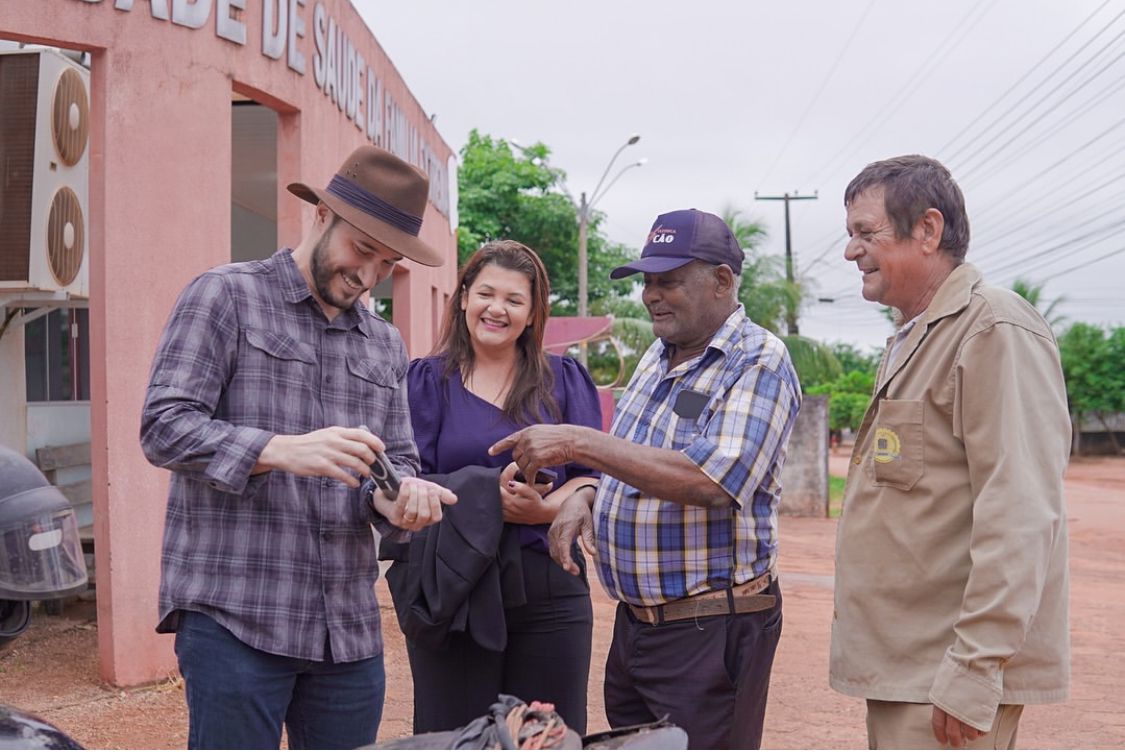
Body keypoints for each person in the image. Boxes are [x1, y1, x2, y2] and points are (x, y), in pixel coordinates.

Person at [140, 145, 457, 750]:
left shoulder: (384, 343)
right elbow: (163, 426)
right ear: (321, 216)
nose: (368, 275)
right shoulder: (225, 296)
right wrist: (277, 450)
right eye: (361, 249)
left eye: (387, 263)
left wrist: (397, 500)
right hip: (236, 618)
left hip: (347, 630)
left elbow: (396, 462)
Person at [492, 209, 802, 749]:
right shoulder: (659, 357)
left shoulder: (758, 360)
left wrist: (576, 442)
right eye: (647, 282)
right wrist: (587, 493)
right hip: (638, 628)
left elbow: (711, 480)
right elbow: (633, 461)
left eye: (669, 281)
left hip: (710, 632)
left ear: (722, 281)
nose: (651, 295)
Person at [830, 155, 1070, 749]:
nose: (850, 251)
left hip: (945, 676)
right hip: (908, 669)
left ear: (929, 230)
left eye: (866, 232)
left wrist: (974, 669)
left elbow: (1019, 513)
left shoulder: (992, 330)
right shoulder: (915, 335)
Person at [395, 239, 603, 734]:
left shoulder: (564, 380)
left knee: (546, 738)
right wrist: (487, 496)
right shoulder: (424, 383)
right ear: (464, 297)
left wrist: (545, 509)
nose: (497, 309)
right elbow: (406, 477)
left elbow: (593, 477)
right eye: (486, 293)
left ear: (533, 315)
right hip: (455, 583)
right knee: (454, 737)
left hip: (549, 585)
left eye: (514, 300)